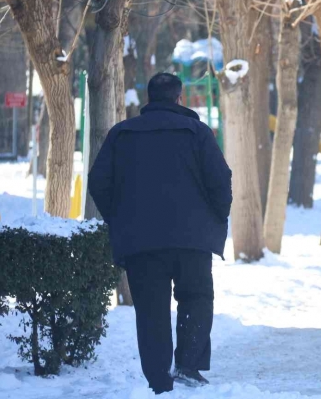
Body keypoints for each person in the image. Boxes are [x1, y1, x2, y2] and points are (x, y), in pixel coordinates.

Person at [88, 73, 232, 395]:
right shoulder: (197, 133)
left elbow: (99, 181)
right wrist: (215, 217)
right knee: (196, 298)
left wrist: (120, 217)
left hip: (141, 241)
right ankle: (188, 365)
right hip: (192, 239)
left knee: (150, 309)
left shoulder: (122, 134)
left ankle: (158, 379)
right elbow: (221, 181)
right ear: (180, 99)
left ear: (149, 100)